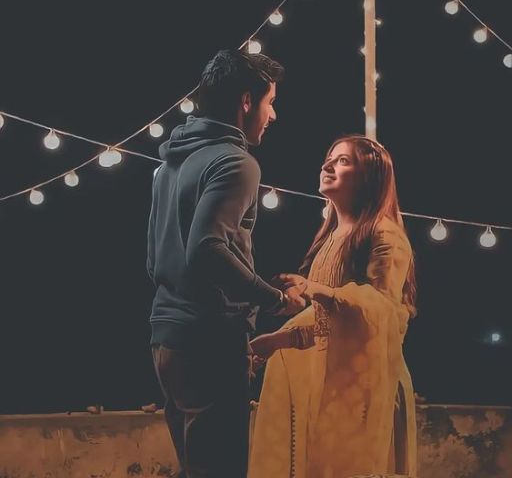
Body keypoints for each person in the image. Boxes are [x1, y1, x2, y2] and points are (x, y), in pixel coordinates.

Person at [146, 49, 305, 478]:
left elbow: (156, 258)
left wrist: (248, 281)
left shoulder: (170, 163)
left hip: (167, 340)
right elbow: (206, 249)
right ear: (247, 101)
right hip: (209, 342)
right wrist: (273, 299)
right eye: (270, 102)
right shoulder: (236, 162)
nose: (273, 115)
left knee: (195, 468)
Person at [249, 135, 418, 478]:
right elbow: (330, 323)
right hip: (326, 383)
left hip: (368, 391)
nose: (327, 165)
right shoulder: (329, 239)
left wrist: (316, 289)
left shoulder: (385, 235)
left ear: (370, 175)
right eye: (329, 158)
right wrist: (277, 341)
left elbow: (382, 311)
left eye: (343, 161)